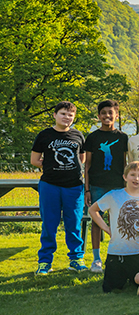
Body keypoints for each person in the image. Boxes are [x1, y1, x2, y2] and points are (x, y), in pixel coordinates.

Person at [30, 101, 87, 275]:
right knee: (49, 224)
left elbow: (82, 159)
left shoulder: (78, 135)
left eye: (70, 115)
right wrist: (50, 166)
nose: (67, 117)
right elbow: (34, 160)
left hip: (74, 186)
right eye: (63, 114)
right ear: (55, 115)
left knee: (74, 224)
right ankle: (45, 262)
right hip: (50, 185)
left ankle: (76, 259)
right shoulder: (44, 135)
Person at [88, 161, 139, 292]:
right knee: (110, 289)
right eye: (132, 175)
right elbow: (93, 210)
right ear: (125, 177)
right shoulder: (113, 195)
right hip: (117, 252)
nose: (136, 179)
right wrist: (107, 229)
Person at [83, 99, 128, 272]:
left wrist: (126, 186)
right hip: (97, 185)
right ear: (99, 116)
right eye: (103, 113)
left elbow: (125, 163)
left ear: (116, 115)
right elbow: (87, 165)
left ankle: (117, 256)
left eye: (111, 113)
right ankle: (96, 259)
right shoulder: (93, 137)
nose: (107, 116)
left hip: (117, 185)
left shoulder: (122, 137)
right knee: (96, 220)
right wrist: (87, 189)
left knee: (117, 221)